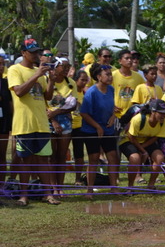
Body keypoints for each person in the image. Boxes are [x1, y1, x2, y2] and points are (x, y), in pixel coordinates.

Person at [8, 38, 59, 206]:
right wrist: (37, 75)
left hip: (41, 123)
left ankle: (47, 194)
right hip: (24, 123)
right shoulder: (15, 69)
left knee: (44, 160)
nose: (36, 55)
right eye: (32, 52)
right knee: (25, 160)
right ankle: (24, 196)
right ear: (23, 53)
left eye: (37, 51)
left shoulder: (40, 72)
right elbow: (19, 91)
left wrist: (51, 80)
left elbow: (47, 97)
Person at [80, 63, 120, 198]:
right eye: (107, 75)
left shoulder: (111, 89)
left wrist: (113, 117)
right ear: (98, 76)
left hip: (107, 129)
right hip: (91, 130)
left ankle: (114, 187)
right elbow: (84, 113)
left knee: (113, 157)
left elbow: (112, 107)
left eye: (111, 74)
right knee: (94, 158)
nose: (110, 77)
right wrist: (97, 126)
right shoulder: (91, 92)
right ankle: (89, 190)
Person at [120, 99, 165, 192]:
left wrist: (142, 149)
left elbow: (156, 137)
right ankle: (130, 187)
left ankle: (151, 185)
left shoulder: (163, 122)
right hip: (129, 140)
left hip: (146, 141)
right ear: (153, 112)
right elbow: (131, 136)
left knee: (159, 158)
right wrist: (143, 151)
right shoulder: (138, 119)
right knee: (135, 158)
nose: (163, 115)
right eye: (161, 113)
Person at [47, 57, 78, 197]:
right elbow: (42, 102)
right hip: (49, 119)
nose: (67, 69)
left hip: (65, 118)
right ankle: (53, 187)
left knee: (62, 155)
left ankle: (60, 187)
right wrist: (53, 119)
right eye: (63, 66)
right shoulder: (47, 80)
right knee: (51, 156)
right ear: (55, 67)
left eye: (68, 66)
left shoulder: (71, 83)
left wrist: (58, 112)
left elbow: (74, 105)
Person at [112, 49, 144, 121]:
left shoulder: (138, 77)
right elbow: (106, 92)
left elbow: (144, 90)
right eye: (127, 58)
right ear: (120, 61)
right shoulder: (113, 75)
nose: (130, 60)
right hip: (116, 114)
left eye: (131, 58)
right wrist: (111, 106)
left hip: (133, 115)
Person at [70, 70, 89, 186]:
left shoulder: (86, 94)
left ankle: (78, 179)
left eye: (86, 80)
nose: (84, 82)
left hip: (80, 127)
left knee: (79, 154)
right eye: (82, 80)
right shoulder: (70, 91)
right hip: (67, 126)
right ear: (75, 80)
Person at [0, 55, 13, 189]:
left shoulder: (6, 83)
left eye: (3, 64)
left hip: (3, 122)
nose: (1, 67)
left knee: (2, 155)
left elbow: (10, 104)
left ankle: (1, 186)